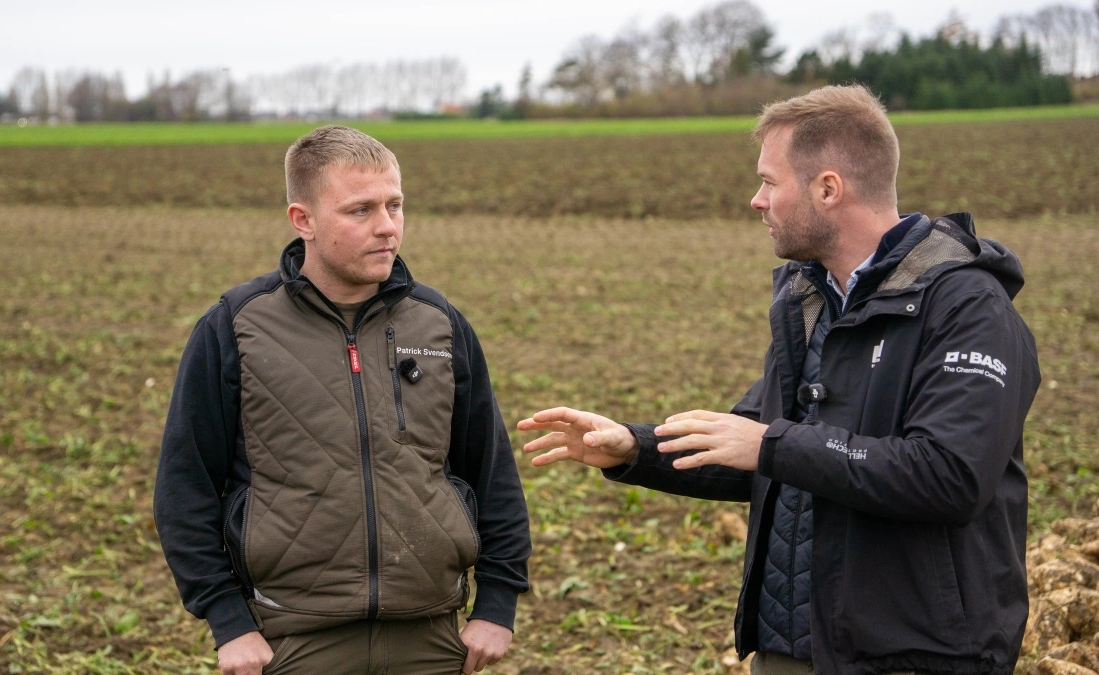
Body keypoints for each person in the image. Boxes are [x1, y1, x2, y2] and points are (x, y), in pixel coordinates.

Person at [518, 85, 1040, 674]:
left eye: (769, 181)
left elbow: (950, 475)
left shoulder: (967, 309)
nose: (755, 200)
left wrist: (771, 443)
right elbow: (754, 447)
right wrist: (635, 448)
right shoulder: (813, 301)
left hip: (911, 654)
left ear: (828, 188)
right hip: (792, 649)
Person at [154, 125, 531, 675]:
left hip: (430, 638)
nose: (387, 228)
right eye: (360, 211)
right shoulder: (235, 327)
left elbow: (492, 471)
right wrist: (228, 621)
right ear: (302, 219)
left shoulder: (439, 324)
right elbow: (184, 485)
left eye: (395, 205)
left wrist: (498, 602)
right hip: (292, 639)